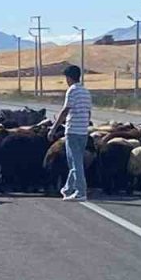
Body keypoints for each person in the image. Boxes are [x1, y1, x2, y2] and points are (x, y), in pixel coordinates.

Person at [52, 64, 92, 202]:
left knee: (75, 163)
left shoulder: (72, 91)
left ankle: (81, 192)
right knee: (76, 161)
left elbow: (65, 110)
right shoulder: (86, 92)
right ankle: (68, 189)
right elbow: (88, 112)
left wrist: (54, 128)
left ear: (69, 78)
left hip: (73, 131)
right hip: (83, 132)